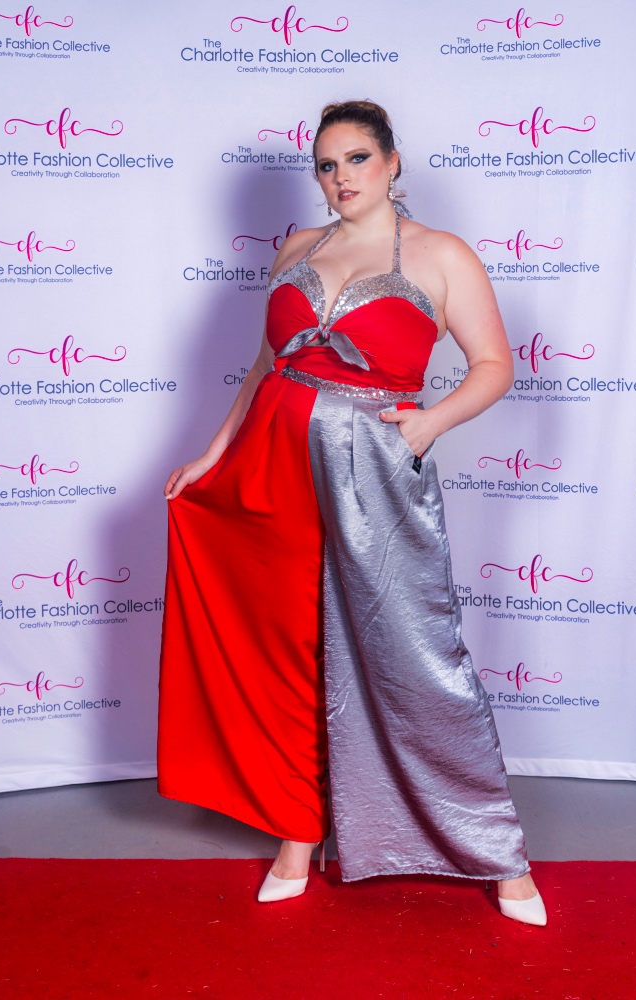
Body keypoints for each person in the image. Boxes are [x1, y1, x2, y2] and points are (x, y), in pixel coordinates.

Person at [157, 100, 546, 926]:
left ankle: (497, 851)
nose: (341, 177)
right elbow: (264, 365)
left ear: (393, 162)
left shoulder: (441, 254)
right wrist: (214, 454)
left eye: (357, 159)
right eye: (327, 165)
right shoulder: (297, 248)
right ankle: (297, 833)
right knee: (288, 647)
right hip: (271, 463)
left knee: (417, 653)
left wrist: (429, 425)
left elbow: (493, 364)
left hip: (371, 470)